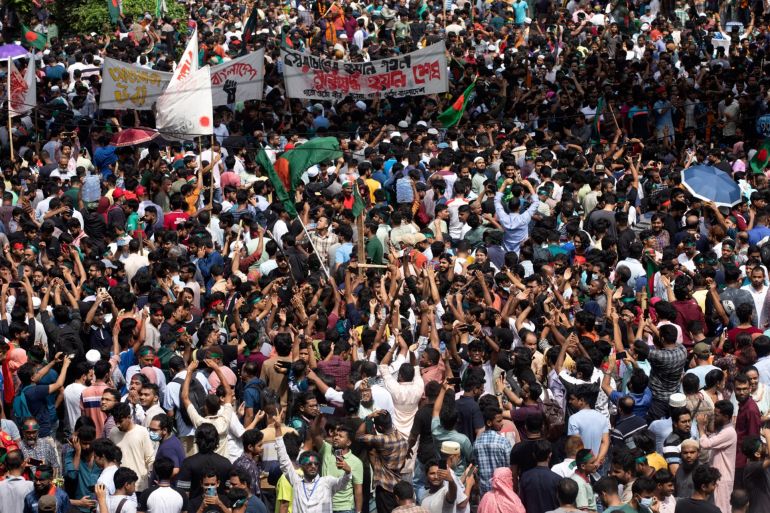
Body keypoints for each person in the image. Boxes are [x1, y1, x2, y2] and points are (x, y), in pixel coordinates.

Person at [273, 413, 352, 513]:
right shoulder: (296, 482)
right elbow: (283, 459)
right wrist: (277, 429)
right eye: (309, 464)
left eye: (316, 464)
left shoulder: (326, 482)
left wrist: (348, 472)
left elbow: (343, 483)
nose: (313, 466)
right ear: (301, 466)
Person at [697, 400, 737, 513]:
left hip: (723, 479)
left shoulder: (728, 432)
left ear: (726, 416)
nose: (714, 417)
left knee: (722, 509)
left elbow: (706, 444)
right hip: (717, 477)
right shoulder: (722, 430)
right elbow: (709, 439)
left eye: (717, 415)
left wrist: (700, 427)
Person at [108, 403, 155, 492]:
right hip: (119, 488)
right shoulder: (113, 433)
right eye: (115, 421)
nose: (117, 425)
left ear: (129, 417)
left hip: (139, 486)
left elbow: (150, 459)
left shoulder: (142, 432)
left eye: (120, 421)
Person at [519, 440, 561, 513]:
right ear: (550, 455)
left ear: (534, 455)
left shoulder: (525, 477)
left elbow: (522, 502)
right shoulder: (557, 479)